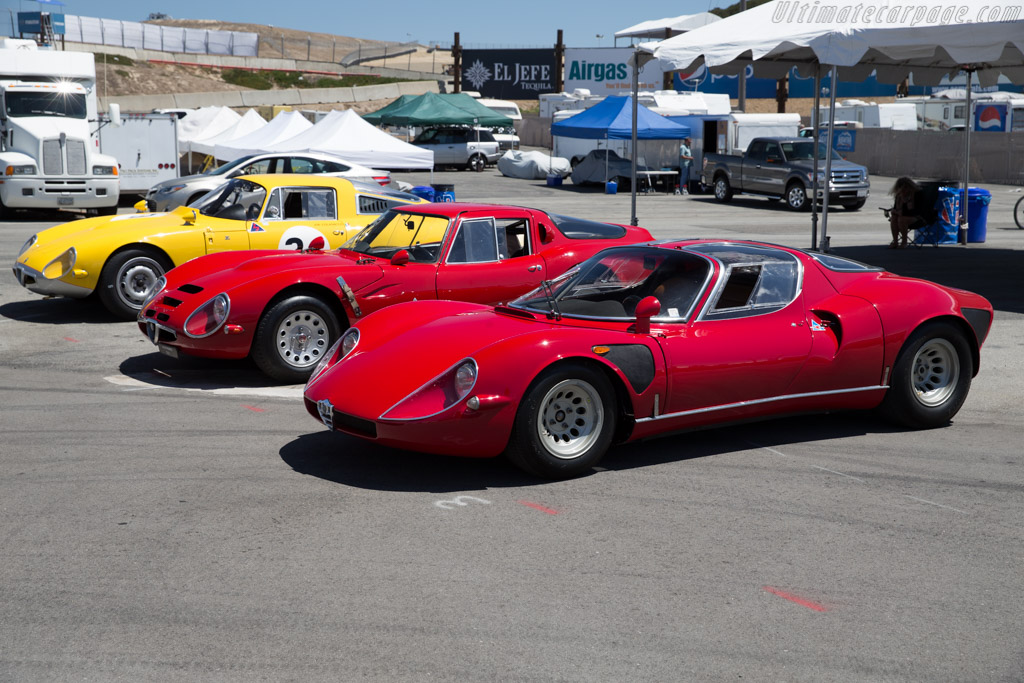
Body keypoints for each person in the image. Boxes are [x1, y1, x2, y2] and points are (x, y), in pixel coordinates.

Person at [887, 176, 921, 248]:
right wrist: (895, 211)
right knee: (894, 218)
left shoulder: (917, 194)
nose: (903, 190)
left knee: (902, 219)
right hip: (902, 215)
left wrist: (901, 211)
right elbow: (896, 208)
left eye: (905, 188)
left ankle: (904, 242)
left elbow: (916, 211)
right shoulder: (899, 195)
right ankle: (895, 241)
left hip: (917, 217)